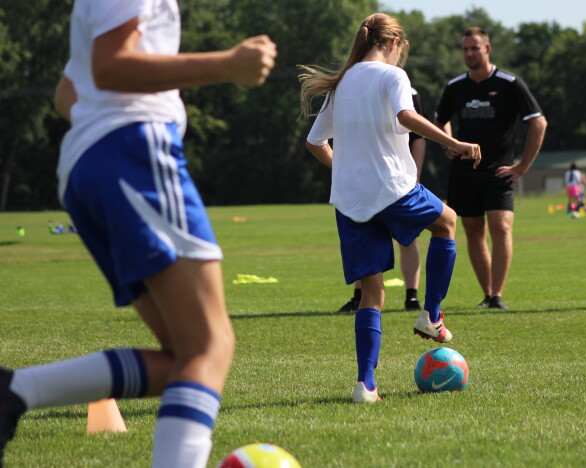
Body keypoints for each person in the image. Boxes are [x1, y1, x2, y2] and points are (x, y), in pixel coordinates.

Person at [0, 1, 276, 466]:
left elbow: (69, 92)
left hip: (96, 164)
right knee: (211, 346)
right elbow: (111, 68)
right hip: (132, 153)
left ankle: (14, 392)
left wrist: (101, 128)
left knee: (183, 359)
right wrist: (228, 65)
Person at [299, 13, 481, 403]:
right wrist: (459, 143)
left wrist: (346, 170)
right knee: (447, 222)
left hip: (351, 198)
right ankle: (431, 316)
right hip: (392, 188)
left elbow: (315, 142)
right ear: (394, 42)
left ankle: (366, 385)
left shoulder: (343, 82)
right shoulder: (392, 76)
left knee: (372, 293)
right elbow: (406, 117)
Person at [434, 27, 547, 310]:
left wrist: (522, 165)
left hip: (499, 170)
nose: (469, 54)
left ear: (488, 49)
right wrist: (449, 143)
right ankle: (487, 295)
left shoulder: (510, 83)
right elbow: (439, 120)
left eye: (475, 48)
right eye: (465, 49)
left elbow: (538, 122)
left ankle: (497, 294)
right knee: (473, 231)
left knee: (501, 227)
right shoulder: (455, 86)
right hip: (464, 172)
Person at [338, 88, 427, 313]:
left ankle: (412, 296)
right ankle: (360, 296)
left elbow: (418, 137)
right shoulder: (355, 90)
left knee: (408, 238)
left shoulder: (407, 91)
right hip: (366, 179)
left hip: (398, 178)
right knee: (365, 235)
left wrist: (415, 174)